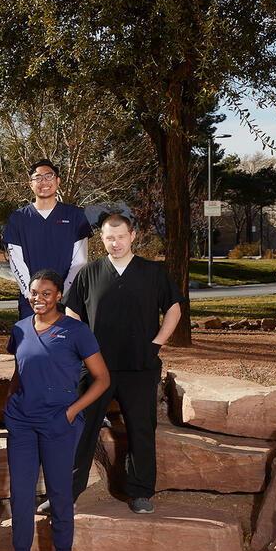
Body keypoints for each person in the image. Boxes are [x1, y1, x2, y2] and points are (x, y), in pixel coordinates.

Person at [0, 270, 109, 551]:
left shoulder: (76, 331)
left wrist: (72, 412)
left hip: (58, 423)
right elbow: (20, 371)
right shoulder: (20, 329)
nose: (39, 298)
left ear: (58, 295)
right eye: (34, 292)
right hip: (21, 423)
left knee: (59, 494)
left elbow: (102, 379)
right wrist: (10, 405)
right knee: (20, 495)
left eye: (47, 293)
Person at [65, 213, 183, 513]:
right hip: (96, 368)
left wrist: (156, 345)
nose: (115, 243)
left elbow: (174, 309)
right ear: (102, 240)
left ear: (133, 236)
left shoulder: (152, 272)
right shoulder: (89, 273)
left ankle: (140, 491)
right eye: (109, 238)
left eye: (120, 236)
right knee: (80, 430)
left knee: (141, 429)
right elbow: (72, 314)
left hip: (139, 367)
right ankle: (67, 491)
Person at [3, 160, 92, 318]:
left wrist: (62, 294)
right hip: (31, 302)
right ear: (30, 184)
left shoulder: (75, 216)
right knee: (32, 343)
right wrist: (31, 294)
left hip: (67, 301)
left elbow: (80, 261)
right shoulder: (18, 218)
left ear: (58, 181)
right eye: (38, 178)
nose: (44, 181)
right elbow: (16, 261)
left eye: (49, 176)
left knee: (66, 342)